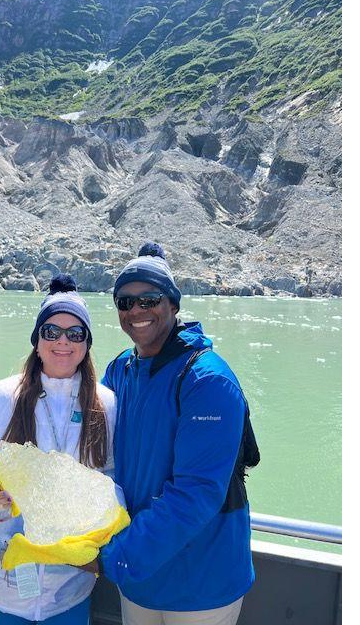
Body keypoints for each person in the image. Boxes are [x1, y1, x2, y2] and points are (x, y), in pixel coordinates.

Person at [92, 243, 257, 625]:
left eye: (148, 299)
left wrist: (116, 557)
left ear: (173, 304)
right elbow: (90, 442)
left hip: (202, 585)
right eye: (125, 302)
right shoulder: (121, 370)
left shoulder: (206, 380)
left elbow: (196, 494)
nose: (136, 311)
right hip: (140, 578)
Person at [0, 274, 117, 625]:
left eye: (76, 333)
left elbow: (115, 479)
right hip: (2, 579)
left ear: (86, 344)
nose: (63, 342)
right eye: (51, 331)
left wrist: (102, 515)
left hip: (71, 583)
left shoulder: (108, 406)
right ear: (37, 341)